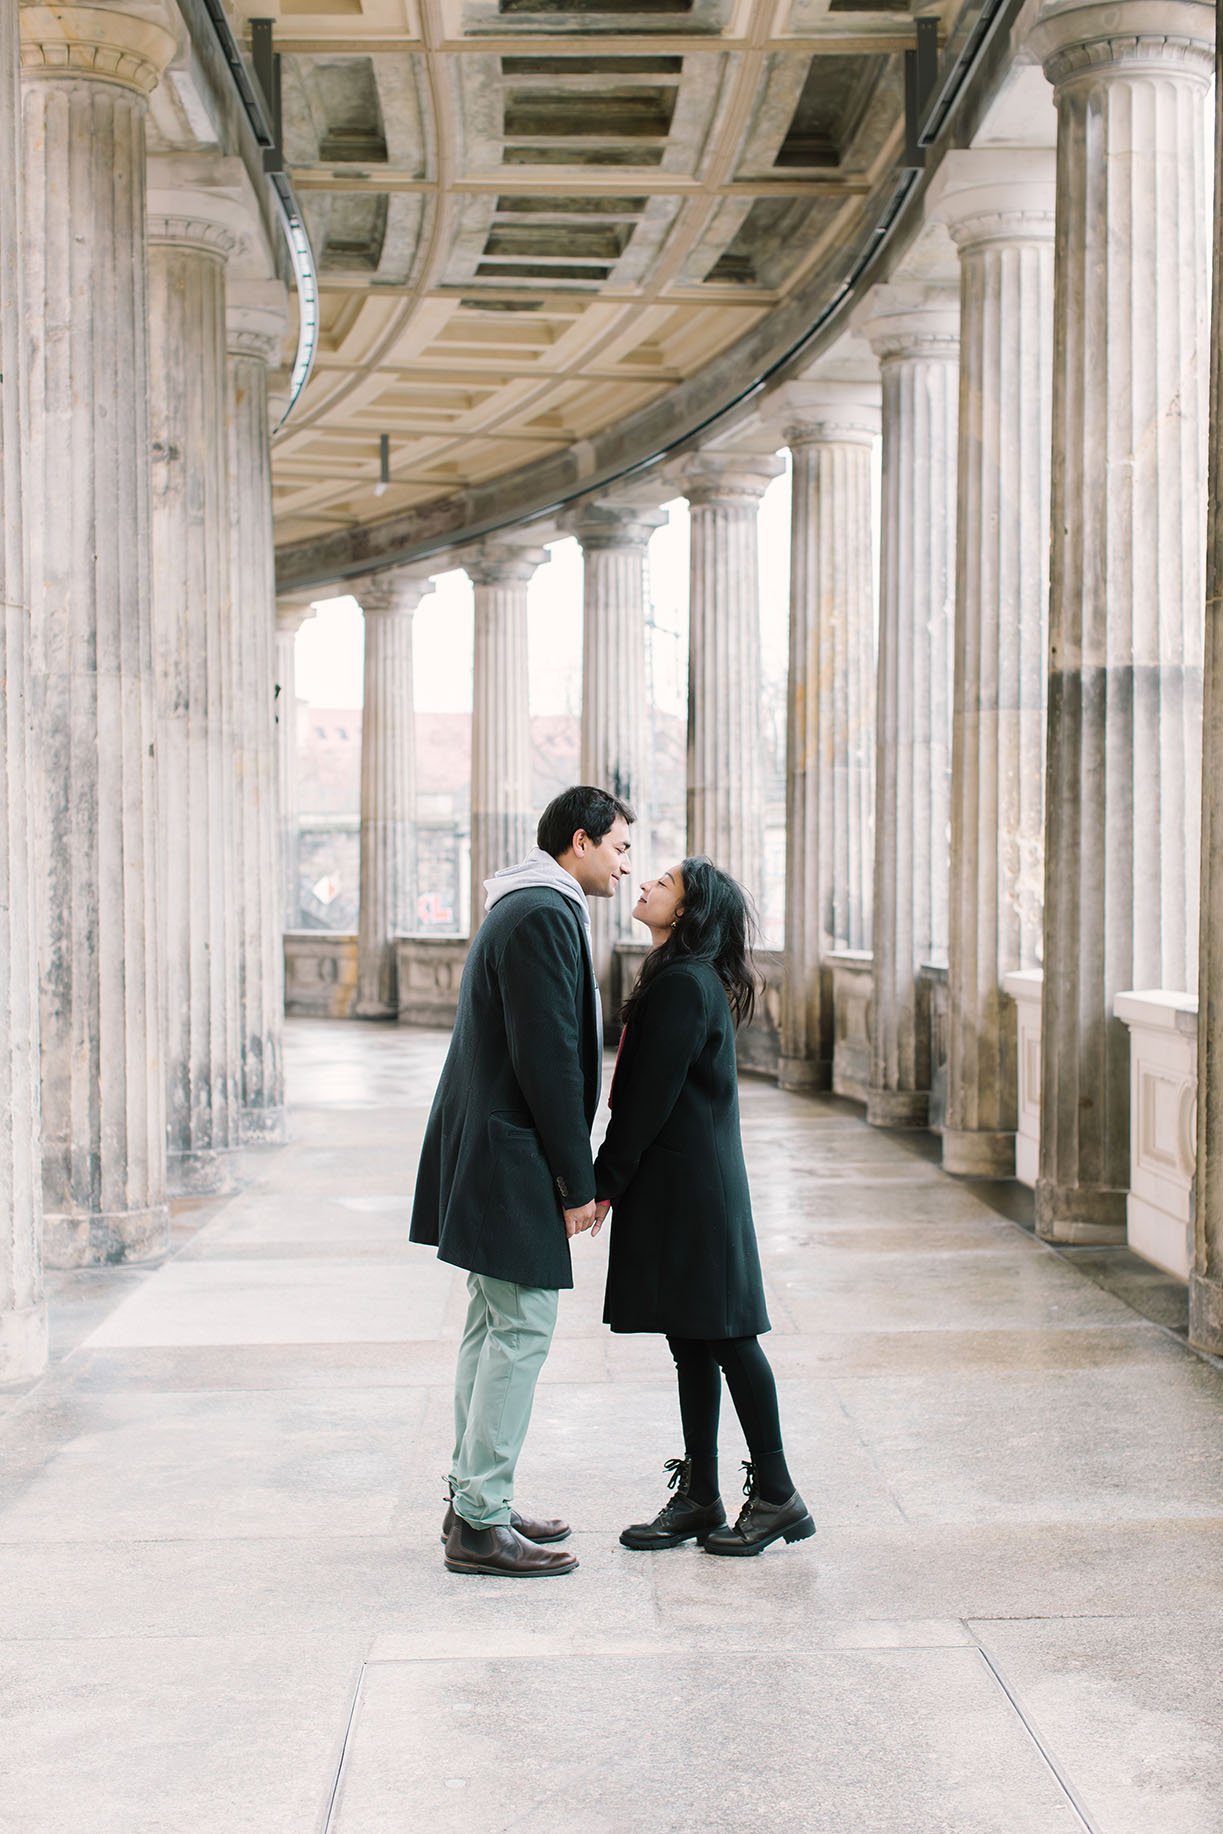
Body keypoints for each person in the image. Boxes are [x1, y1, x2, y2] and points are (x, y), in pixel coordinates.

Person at [410, 785, 634, 1577]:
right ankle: (477, 1519)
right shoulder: (543, 912)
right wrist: (577, 1183)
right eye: (618, 848)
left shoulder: (523, 904)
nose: (625, 864)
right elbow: (547, 1055)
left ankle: (475, 1500)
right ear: (580, 840)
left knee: (491, 1325)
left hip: (491, 1145)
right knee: (519, 1330)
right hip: (512, 1154)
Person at [591, 857, 814, 1557]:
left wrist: (602, 1182)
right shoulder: (673, 975)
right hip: (678, 1184)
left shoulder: (685, 984)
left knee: (726, 1336)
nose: (647, 884)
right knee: (690, 1339)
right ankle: (699, 1495)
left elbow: (647, 1099)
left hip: (693, 1191)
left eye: (665, 883)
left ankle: (777, 1494)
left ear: (686, 912)